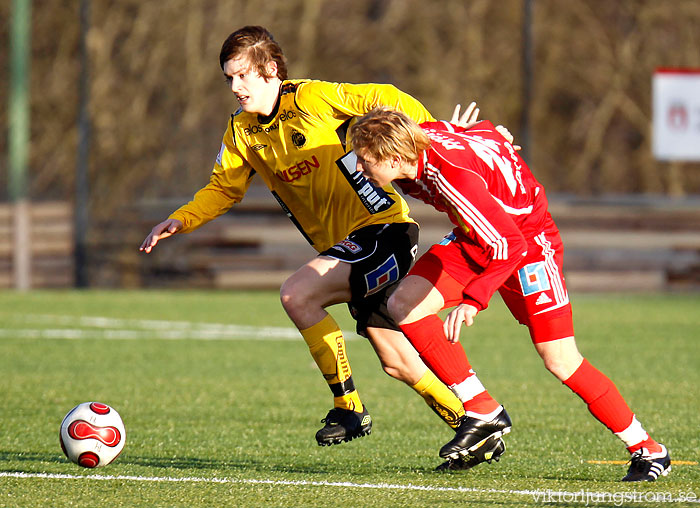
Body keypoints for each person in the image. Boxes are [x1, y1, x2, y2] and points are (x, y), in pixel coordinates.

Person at [139, 25, 472, 448]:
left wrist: (435, 132)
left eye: (243, 75)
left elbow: (381, 95)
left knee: (297, 294)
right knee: (396, 361)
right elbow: (224, 188)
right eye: (229, 78)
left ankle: (350, 408)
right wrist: (182, 220)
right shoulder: (241, 131)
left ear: (270, 69)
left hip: (384, 229)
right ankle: (473, 423)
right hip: (348, 249)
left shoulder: (310, 98)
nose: (236, 86)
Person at [349, 106, 671, 481]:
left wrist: (474, 299)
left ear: (394, 157)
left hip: (529, 244)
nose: (359, 167)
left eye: (366, 160)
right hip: (481, 236)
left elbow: (511, 245)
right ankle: (482, 409)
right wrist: (478, 132)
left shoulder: (451, 176)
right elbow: (482, 133)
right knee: (404, 304)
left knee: (561, 360)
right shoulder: (420, 142)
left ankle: (648, 450)